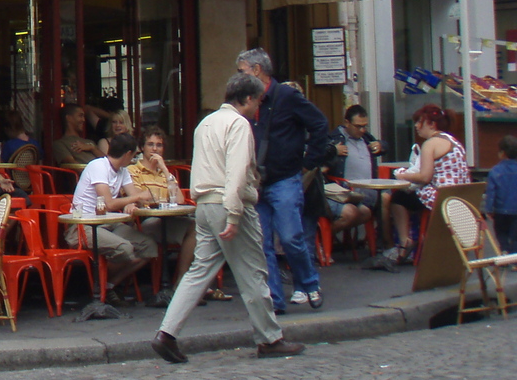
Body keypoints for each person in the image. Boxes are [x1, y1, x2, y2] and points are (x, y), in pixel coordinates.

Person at [151, 73, 305, 363]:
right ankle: (270, 338)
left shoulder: (205, 124)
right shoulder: (238, 125)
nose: (259, 106)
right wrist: (234, 215)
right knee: (254, 272)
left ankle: (166, 333)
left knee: (198, 272)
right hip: (228, 203)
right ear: (247, 99)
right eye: (258, 100)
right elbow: (235, 174)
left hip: (205, 204)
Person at [235, 48, 329, 313]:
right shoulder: (249, 100)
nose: (239, 76)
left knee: (290, 238)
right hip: (257, 181)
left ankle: (309, 283)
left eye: (242, 70)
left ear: (256, 70)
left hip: (284, 178)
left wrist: (309, 162)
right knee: (262, 245)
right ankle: (274, 300)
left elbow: (320, 124)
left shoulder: (287, 96)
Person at [64, 132, 157, 292]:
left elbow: (136, 196)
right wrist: (134, 198)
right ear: (128, 154)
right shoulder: (98, 166)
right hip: (83, 226)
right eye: (134, 155)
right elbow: (109, 204)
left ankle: (108, 285)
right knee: (125, 249)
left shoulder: (123, 171)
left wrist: (138, 200)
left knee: (149, 247)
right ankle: (97, 284)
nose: (134, 159)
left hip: (109, 223)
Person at [391, 104, 472, 261]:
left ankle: (404, 242)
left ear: (431, 124)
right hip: (460, 196)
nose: (416, 126)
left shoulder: (430, 143)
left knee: (398, 198)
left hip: (441, 197)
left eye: (419, 122)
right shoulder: (453, 140)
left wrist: (402, 175)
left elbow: (424, 177)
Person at [129, 125, 196, 289]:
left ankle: (181, 279)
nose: (154, 149)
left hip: (166, 220)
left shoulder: (165, 173)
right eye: (150, 144)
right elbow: (140, 198)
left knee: (196, 227)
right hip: (145, 221)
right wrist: (157, 199)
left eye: (159, 145)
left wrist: (165, 169)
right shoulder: (133, 170)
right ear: (142, 147)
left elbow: (179, 199)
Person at [323, 105, 385, 239]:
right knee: (352, 213)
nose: (362, 130)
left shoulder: (366, 137)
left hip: (366, 194)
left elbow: (385, 147)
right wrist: (333, 151)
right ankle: (324, 238)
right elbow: (321, 159)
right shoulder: (334, 139)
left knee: (370, 210)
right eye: (358, 126)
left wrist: (381, 145)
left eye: (365, 126)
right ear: (347, 123)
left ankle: (386, 245)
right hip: (342, 193)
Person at [484, 135, 517, 255]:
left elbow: (491, 191)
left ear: (502, 153)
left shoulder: (495, 171)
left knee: (501, 232)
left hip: (500, 210)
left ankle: (504, 250)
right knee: (515, 235)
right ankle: (514, 257)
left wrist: (488, 208)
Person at [50, 102, 100, 168]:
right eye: (80, 116)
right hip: (88, 177)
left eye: (84, 116)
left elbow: (108, 162)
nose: (83, 120)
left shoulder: (90, 142)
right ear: (68, 118)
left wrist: (92, 148)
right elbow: (73, 164)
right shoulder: (60, 144)